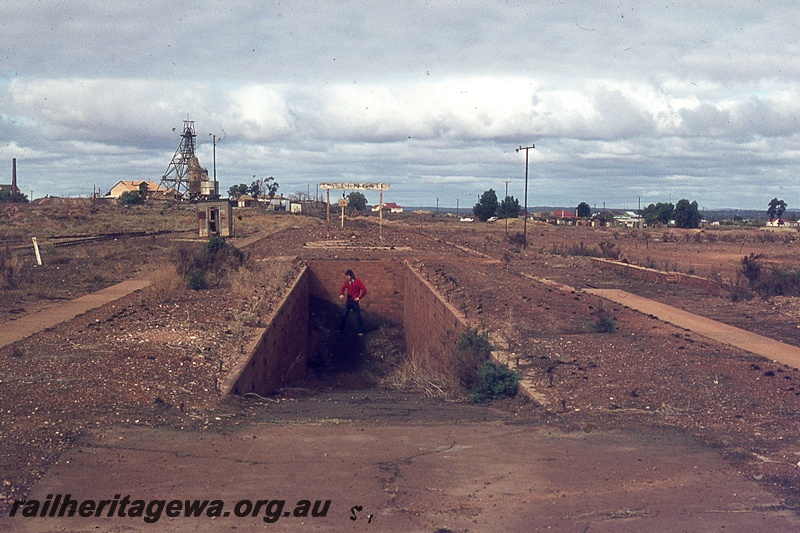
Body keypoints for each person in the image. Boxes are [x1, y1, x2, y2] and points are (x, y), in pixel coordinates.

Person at [338, 269, 367, 335]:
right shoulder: (347, 282)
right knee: (344, 315)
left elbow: (364, 290)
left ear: (351, 275)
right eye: (346, 276)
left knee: (357, 316)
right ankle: (340, 329)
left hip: (354, 302)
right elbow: (343, 287)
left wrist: (359, 298)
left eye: (348, 276)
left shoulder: (357, 282)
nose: (347, 277)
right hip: (348, 301)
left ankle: (361, 331)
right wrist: (341, 294)